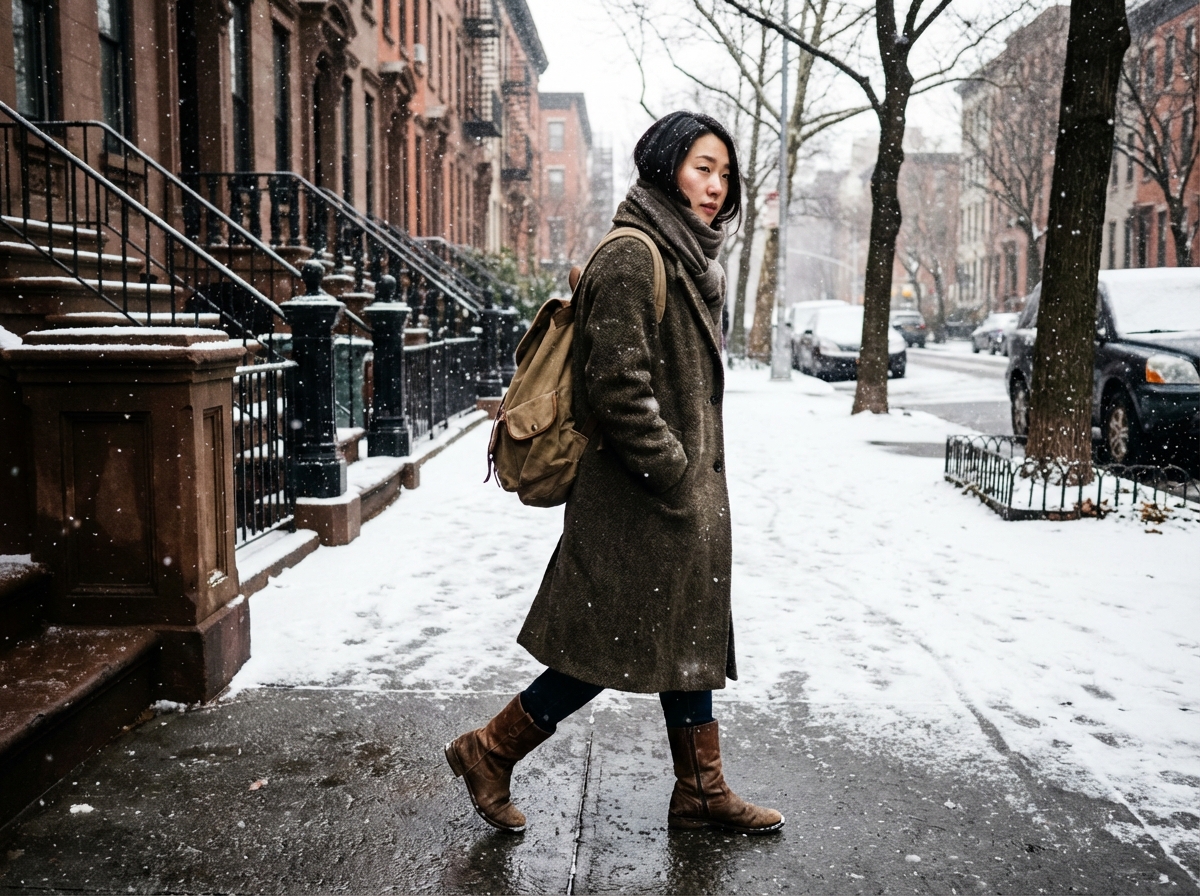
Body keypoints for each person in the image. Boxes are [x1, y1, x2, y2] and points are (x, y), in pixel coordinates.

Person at [445, 111, 783, 836]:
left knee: (677, 640)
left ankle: (700, 789)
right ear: (666, 166)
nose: (716, 185)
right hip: (637, 499)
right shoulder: (636, 254)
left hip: (666, 500)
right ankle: (490, 750)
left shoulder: (684, 255)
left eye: (725, 172)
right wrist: (672, 471)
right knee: (604, 647)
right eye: (701, 166)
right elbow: (617, 383)